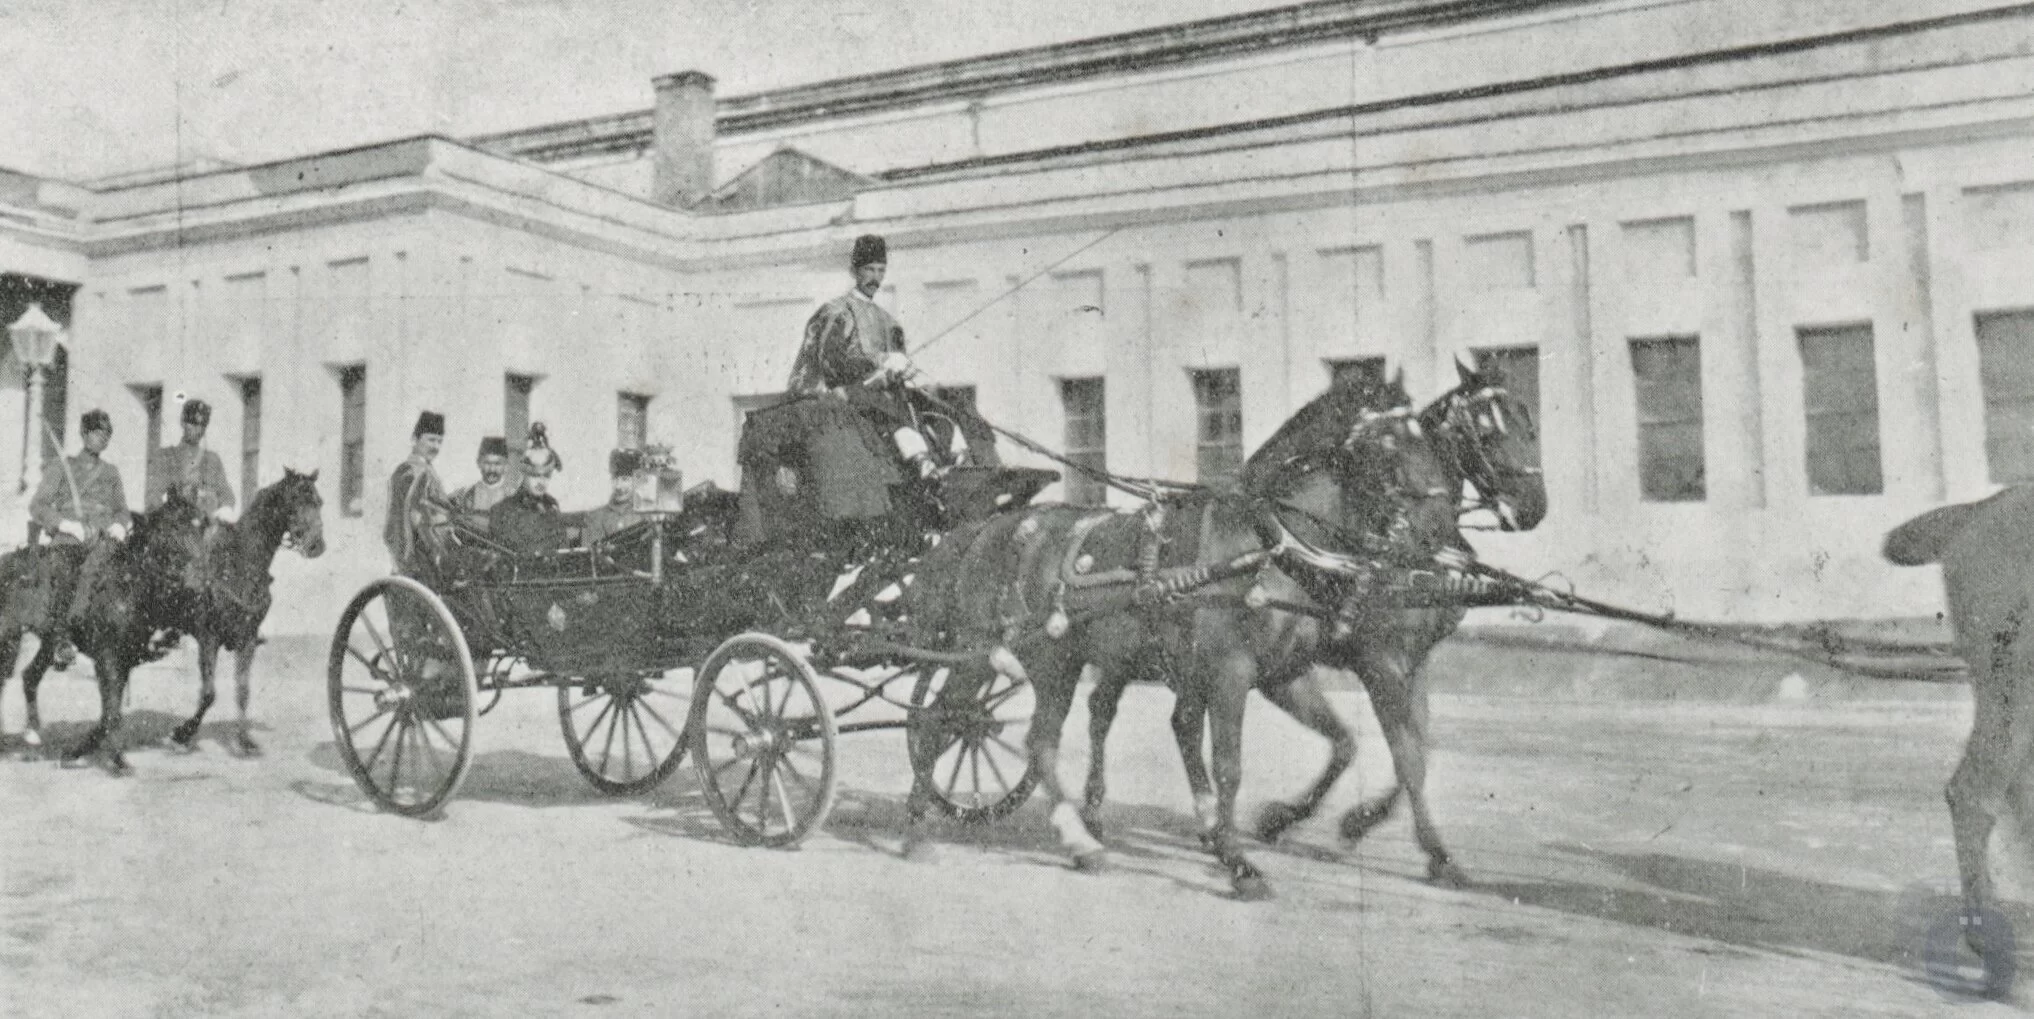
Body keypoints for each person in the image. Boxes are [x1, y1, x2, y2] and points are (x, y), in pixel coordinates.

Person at [784, 233, 940, 475]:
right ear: (853, 271)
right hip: (844, 395)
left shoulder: (888, 321)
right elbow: (830, 362)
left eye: (880, 270)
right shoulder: (836, 312)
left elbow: (897, 365)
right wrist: (879, 362)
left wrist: (908, 371)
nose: (875, 278)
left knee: (933, 400)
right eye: (869, 269)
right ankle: (920, 462)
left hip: (882, 395)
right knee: (882, 406)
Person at [29, 409, 131, 665]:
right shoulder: (62, 467)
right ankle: (62, 639)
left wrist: (120, 525)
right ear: (84, 434)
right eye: (97, 432)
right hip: (69, 540)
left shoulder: (111, 472)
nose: (102, 438)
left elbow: (122, 510)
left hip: (103, 540)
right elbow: (38, 505)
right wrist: (65, 524)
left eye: (107, 434)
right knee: (62, 572)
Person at [145, 398, 235, 519]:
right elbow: (153, 496)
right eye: (192, 423)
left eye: (202, 425)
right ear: (182, 422)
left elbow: (226, 494)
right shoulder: (166, 457)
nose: (198, 430)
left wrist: (226, 508)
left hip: (209, 525)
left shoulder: (213, 459)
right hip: (179, 525)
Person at [383, 410, 446, 571]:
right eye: (431, 439)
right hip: (418, 557)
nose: (435, 446)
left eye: (439, 441)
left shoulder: (427, 470)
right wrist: (438, 552)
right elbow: (415, 516)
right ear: (415, 439)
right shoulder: (410, 471)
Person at [489, 439, 569, 555]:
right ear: (524, 474)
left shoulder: (552, 507)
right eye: (535, 475)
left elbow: (563, 553)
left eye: (546, 476)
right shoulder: (501, 511)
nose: (541, 482)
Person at [580, 448, 646, 546]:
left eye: (625, 479)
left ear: (637, 481)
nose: (618, 486)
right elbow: (589, 557)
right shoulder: (595, 517)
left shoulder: (646, 516)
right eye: (615, 479)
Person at [449, 436, 515, 528]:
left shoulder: (512, 496)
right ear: (479, 463)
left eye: (497, 464)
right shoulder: (465, 494)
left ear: (506, 466)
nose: (492, 469)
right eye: (487, 463)